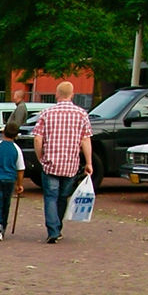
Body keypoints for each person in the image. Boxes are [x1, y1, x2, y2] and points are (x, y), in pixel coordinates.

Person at [31, 80, 93, 243]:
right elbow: (85, 140)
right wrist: (89, 162)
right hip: (70, 163)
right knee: (63, 196)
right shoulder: (81, 114)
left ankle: (53, 229)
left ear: (57, 94)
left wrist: (40, 157)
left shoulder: (46, 113)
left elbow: (38, 139)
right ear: (72, 94)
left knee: (50, 196)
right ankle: (58, 226)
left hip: (50, 162)